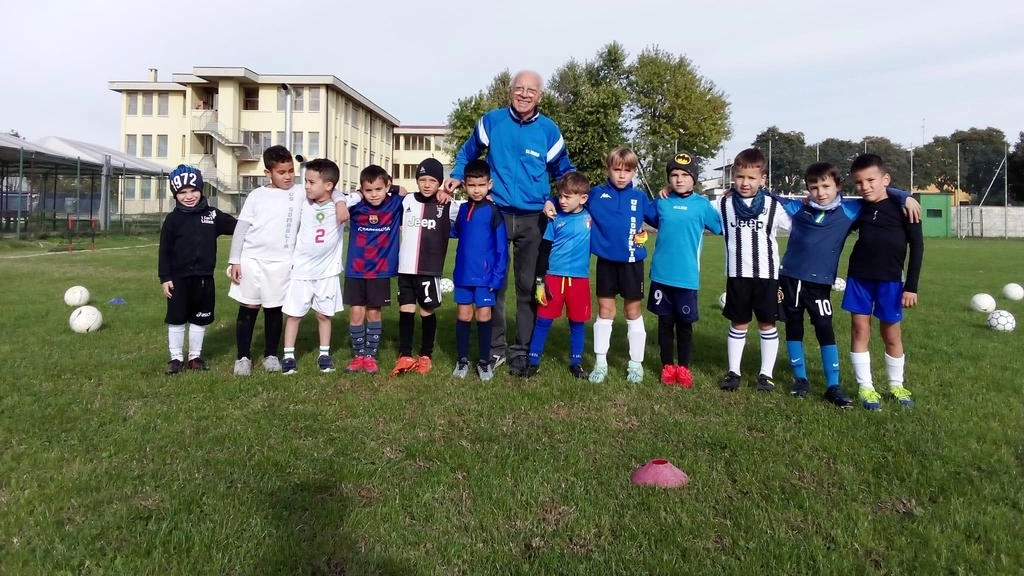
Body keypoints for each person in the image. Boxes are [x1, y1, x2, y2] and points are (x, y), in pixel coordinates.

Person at [443, 70, 575, 375]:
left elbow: (564, 171)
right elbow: (467, 152)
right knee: (495, 285)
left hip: (534, 217)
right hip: (497, 215)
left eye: (531, 90)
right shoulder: (492, 121)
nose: (525, 94)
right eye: (519, 88)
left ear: (540, 96)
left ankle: (522, 350)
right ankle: (496, 349)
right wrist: (457, 174)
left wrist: (561, 200)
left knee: (528, 287)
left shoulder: (548, 130)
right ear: (509, 91)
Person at [776, 162, 920, 406]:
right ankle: (814, 381)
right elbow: (772, 199)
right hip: (817, 278)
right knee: (801, 326)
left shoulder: (859, 209)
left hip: (864, 281)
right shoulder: (808, 208)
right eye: (814, 187)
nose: (820, 192)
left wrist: (905, 196)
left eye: (826, 186)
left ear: (838, 186)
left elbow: (883, 197)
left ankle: (862, 385)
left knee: (835, 329)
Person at [227, 145, 349, 376]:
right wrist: (235, 260)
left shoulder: (301, 191)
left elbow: (332, 190)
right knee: (249, 306)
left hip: (283, 262)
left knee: (274, 308)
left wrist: (341, 202)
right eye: (281, 172)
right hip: (252, 260)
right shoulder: (256, 196)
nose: (288, 176)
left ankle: (271, 354)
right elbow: (241, 229)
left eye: (291, 171)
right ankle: (243, 356)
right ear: (268, 173)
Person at [550, 146, 651, 384]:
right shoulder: (595, 194)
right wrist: (549, 202)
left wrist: (668, 192)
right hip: (605, 263)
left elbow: (658, 216)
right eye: (617, 169)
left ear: (634, 172)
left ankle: (635, 364)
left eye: (628, 170)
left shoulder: (640, 197)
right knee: (605, 312)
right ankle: (601, 362)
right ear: (608, 169)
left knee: (633, 312)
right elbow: (567, 197)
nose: (622, 175)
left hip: (632, 263)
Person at [842, 153, 924, 410]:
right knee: (859, 330)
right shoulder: (859, 209)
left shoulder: (905, 208)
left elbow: (918, 248)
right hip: (859, 278)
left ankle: (896, 384)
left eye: (870, 180)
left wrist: (911, 287)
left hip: (891, 281)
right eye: (858, 182)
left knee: (891, 333)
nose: (865, 186)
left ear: (885, 179)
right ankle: (866, 387)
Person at [645, 152, 722, 388]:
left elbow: (720, 228)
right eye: (674, 175)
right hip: (661, 275)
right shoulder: (661, 202)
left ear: (694, 179)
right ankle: (667, 366)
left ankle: (684, 367)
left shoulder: (702, 205)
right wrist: (661, 191)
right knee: (665, 323)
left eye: (685, 175)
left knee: (685, 325)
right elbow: (644, 214)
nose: (679, 179)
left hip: (687, 278)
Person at [717, 148, 792, 392]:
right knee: (738, 323)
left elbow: (799, 222)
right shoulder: (724, 203)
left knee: (767, 324)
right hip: (738, 275)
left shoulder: (773, 205)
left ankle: (765, 375)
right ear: (733, 176)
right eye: (740, 177)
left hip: (767, 276)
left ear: (763, 179)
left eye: (751, 178)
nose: (745, 182)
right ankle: (734, 372)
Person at [158, 165, 237, 374]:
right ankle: (175, 358)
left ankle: (195, 357)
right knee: (176, 318)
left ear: (201, 189)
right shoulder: (172, 220)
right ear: (175, 194)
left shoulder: (212, 215)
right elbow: (164, 250)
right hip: (178, 279)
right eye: (182, 192)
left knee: (199, 318)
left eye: (193, 190)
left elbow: (239, 227)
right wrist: (164, 277)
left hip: (204, 279)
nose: (189, 196)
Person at [391, 158, 459, 376]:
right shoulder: (407, 200)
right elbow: (378, 191)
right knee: (406, 310)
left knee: (427, 311)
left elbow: (475, 204)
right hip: (406, 269)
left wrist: (452, 192)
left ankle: (426, 355)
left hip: (430, 270)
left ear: (439, 182)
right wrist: (394, 187)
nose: (427, 184)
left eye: (432, 180)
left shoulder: (447, 204)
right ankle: (404, 355)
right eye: (422, 179)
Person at [522, 172, 592, 379]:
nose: (562, 201)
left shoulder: (590, 217)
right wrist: (539, 281)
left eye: (567, 197)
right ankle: (533, 361)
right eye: (560, 196)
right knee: (543, 320)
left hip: (579, 280)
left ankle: (576, 363)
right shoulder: (554, 219)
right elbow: (544, 251)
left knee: (577, 322)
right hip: (553, 278)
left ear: (583, 198)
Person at [280, 159, 345, 375]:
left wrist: (340, 202)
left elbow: (350, 193)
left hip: (327, 272)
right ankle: (288, 356)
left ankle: (324, 355)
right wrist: (339, 200)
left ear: (328, 185)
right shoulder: (302, 198)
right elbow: (335, 191)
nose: (306, 185)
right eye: (305, 181)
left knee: (324, 315)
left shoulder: (340, 202)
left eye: (311, 182)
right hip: (301, 271)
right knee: (294, 314)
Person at [343, 165, 407, 375]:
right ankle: (358, 355)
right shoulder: (356, 206)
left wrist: (394, 188)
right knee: (356, 311)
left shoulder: (395, 204)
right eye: (368, 190)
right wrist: (353, 195)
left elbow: (404, 191)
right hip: (356, 269)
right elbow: (336, 196)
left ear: (387, 186)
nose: (373, 195)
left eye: (379, 189)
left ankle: (370, 356)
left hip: (380, 270)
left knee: (373, 311)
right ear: (361, 190)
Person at [450, 160, 508, 381]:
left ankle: (484, 362)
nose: (476, 190)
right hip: (463, 275)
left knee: (484, 316)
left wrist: (496, 277)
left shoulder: (494, 212)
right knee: (463, 315)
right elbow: (457, 233)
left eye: (481, 185)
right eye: (472, 185)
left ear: (489, 184)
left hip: (486, 277)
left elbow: (502, 249)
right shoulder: (463, 209)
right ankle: (462, 359)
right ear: (464, 185)